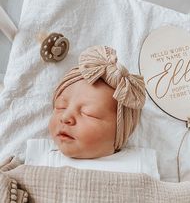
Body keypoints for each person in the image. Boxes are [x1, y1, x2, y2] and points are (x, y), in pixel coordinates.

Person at [25, 45, 160, 179]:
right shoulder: (43, 158)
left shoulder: (138, 166)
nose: (65, 117)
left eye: (88, 113)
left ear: (119, 133)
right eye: (61, 107)